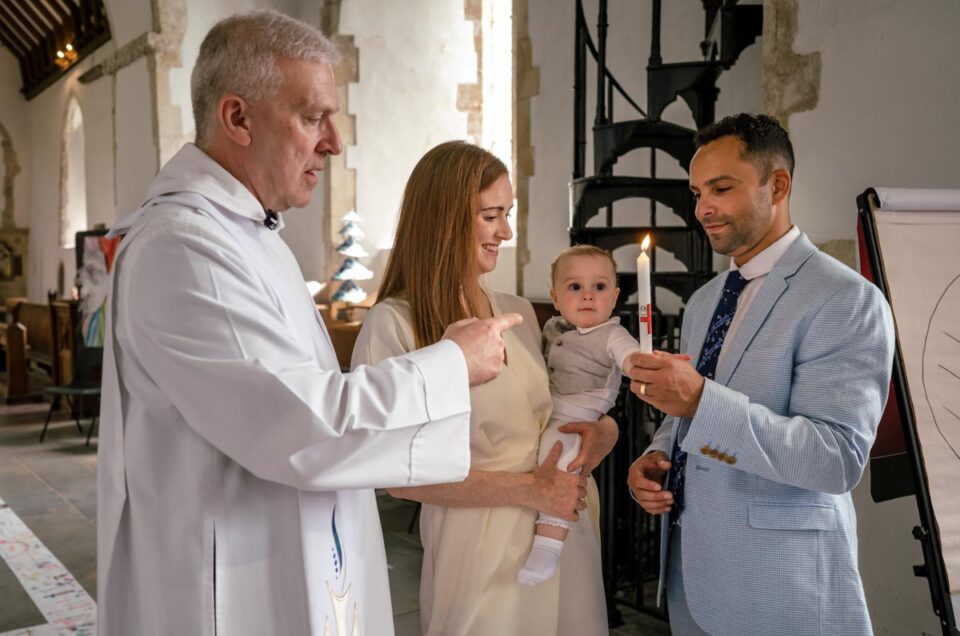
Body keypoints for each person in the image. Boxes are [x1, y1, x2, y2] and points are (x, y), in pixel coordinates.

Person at [97, 12, 522, 636]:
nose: (334, 142)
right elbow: (300, 425)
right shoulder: (182, 246)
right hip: (233, 585)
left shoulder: (251, 233)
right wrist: (450, 362)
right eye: (312, 116)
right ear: (237, 117)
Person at [626, 113, 895, 635]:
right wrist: (658, 454)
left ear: (778, 185)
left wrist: (702, 402)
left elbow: (835, 459)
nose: (703, 208)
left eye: (721, 188)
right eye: (697, 191)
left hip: (781, 586)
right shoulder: (705, 301)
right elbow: (687, 413)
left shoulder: (845, 299)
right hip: (693, 578)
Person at [351, 141, 613, 635]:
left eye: (507, 214)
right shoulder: (395, 323)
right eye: (491, 215)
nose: (506, 232)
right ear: (445, 217)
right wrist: (530, 489)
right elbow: (394, 474)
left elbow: (566, 404)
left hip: (562, 524)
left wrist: (608, 433)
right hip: (481, 541)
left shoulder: (520, 311)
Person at [517, 244, 642, 586]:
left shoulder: (612, 334)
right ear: (555, 297)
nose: (588, 296)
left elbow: (628, 355)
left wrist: (638, 363)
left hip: (577, 417)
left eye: (599, 287)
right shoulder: (552, 329)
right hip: (548, 409)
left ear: (614, 296)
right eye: (575, 287)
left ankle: (549, 543)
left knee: (561, 459)